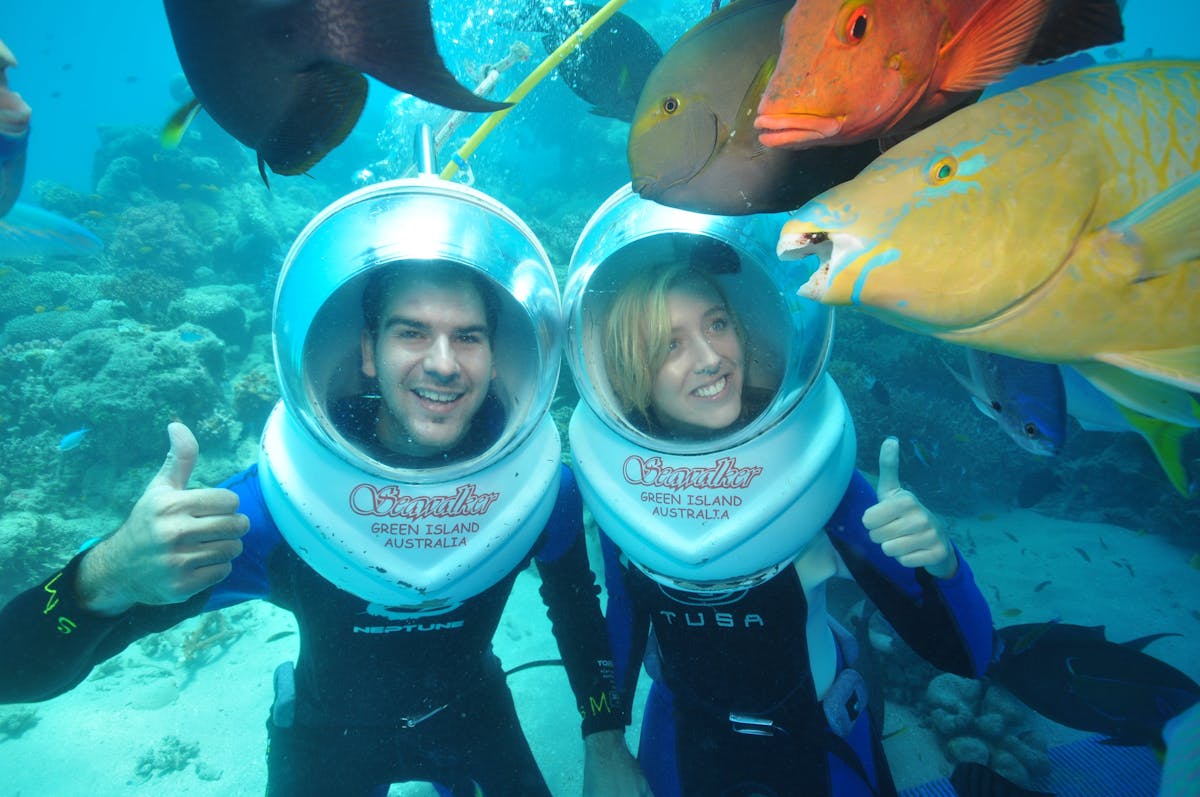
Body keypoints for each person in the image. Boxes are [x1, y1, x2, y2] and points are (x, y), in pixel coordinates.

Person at [0, 179, 647, 796]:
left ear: (496, 352)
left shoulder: (537, 492)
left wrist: (604, 737)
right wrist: (99, 577)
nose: (444, 362)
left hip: (471, 709)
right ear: (368, 351)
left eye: (468, 336)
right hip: (327, 734)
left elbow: (575, 606)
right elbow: (14, 673)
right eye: (412, 331)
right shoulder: (282, 505)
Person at [563, 187, 994, 797]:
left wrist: (941, 563)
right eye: (670, 344)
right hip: (684, 734)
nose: (712, 358)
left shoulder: (809, 467)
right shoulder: (622, 480)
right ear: (631, 366)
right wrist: (603, 740)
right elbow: (627, 614)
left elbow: (969, 657)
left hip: (818, 739)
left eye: (718, 324)